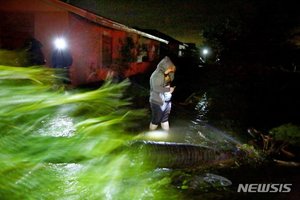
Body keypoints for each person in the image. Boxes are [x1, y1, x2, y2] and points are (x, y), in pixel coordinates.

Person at [149, 56, 176, 131]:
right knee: (156, 120)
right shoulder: (157, 75)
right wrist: (168, 90)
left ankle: (167, 137)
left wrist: (171, 72)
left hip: (166, 101)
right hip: (157, 102)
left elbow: (171, 79)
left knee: (165, 119)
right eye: (170, 68)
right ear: (165, 66)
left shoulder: (166, 74)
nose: (171, 69)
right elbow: (156, 88)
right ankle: (149, 137)